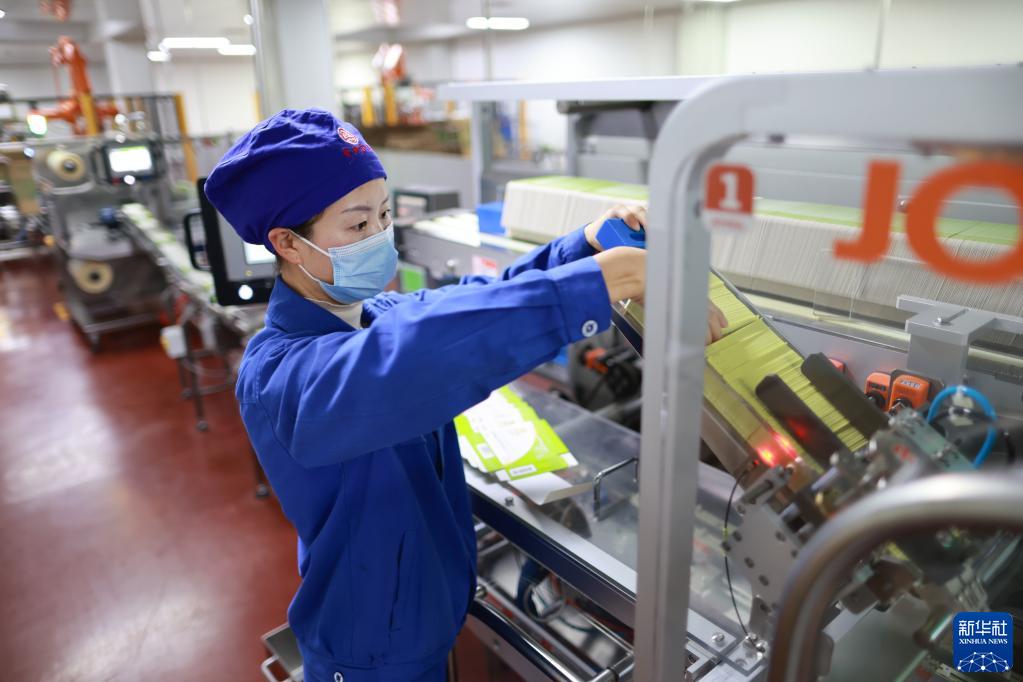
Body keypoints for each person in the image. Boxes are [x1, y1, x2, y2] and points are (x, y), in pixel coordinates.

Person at [205, 108, 727, 682]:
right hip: (369, 651)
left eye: (384, 214)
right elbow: (410, 358)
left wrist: (582, 249)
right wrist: (607, 281)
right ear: (288, 243)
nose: (380, 236)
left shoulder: (374, 313)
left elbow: (479, 298)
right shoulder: (278, 373)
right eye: (357, 226)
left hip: (420, 618)